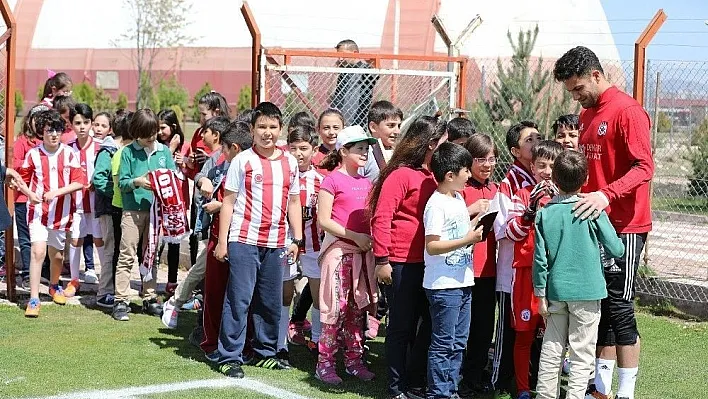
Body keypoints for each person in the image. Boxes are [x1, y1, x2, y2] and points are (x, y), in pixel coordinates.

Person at [553, 46, 654, 399]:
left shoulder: (628, 111)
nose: (576, 97)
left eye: (579, 89)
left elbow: (645, 167)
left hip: (625, 225)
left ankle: (626, 393)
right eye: (571, 92)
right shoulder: (587, 115)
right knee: (600, 305)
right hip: (594, 221)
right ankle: (601, 389)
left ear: (596, 75)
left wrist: (605, 195)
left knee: (620, 306)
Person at [214, 102, 303, 379]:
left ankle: (265, 352)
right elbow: (228, 202)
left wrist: (297, 238)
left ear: (281, 129)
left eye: (273, 127)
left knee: (270, 300)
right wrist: (222, 241)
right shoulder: (243, 160)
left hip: (276, 242)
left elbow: (294, 201)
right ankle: (229, 355)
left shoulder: (290, 162)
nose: (267, 133)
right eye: (262, 127)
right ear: (252, 130)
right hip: (244, 239)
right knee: (239, 299)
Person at [533, 150, 625, 399]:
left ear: (555, 179)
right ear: (586, 179)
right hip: (588, 292)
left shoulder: (545, 213)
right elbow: (616, 249)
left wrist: (539, 293)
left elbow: (540, 259)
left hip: (556, 292)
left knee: (551, 351)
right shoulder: (592, 209)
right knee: (582, 353)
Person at [369, 116, 445, 399]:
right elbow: (382, 216)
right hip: (400, 262)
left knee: (427, 323)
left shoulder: (433, 176)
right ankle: (395, 387)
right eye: (442, 142)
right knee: (400, 327)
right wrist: (382, 260)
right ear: (429, 144)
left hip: (428, 263)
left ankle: (415, 381)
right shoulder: (400, 174)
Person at [315, 125, 377, 385]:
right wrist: (356, 237)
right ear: (343, 151)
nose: (365, 153)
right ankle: (324, 364)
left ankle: (354, 361)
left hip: (362, 255)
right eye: (359, 148)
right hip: (340, 253)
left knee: (356, 310)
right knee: (335, 310)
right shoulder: (331, 180)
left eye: (366, 148)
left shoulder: (367, 183)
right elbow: (324, 220)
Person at [423, 141, 484, 399]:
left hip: (462, 282)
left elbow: (457, 230)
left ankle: (451, 390)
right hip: (443, 286)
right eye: (466, 171)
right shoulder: (436, 204)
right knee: (443, 343)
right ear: (450, 175)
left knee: (459, 342)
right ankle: (439, 392)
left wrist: (480, 219)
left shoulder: (458, 198)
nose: (469, 175)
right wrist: (467, 240)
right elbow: (433, 245)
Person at [505, 141, 563, 399]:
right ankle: (522, 388)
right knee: (524, 335)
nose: (547, 171)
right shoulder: (523, 194)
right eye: (542, 165)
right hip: (526, 273)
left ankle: (548, 387)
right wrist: (529, 212)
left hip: (556, 276)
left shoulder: (566, 197)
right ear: (532, 166)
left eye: (552, 165)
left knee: (554, 335)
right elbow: (511, 232)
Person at [161, 115, 230, 329]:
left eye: (205, 132)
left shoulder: (242, 158)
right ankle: (176, 303)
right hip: (214, 229)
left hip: (235, 231)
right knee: (202, 268)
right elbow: (202, 182)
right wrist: (203, 182)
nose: (202, 136)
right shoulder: (216, 159)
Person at [18, 109, 85, 317]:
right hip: (38, 212)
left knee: (56, 256)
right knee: (37, 252)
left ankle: (54, 285)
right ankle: (34, 299)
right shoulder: (33, 155)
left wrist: (57, 192)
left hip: (61, 214)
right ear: (41, 132)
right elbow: (21, 181)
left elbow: (79, 182)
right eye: (49, 130)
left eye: (57, 129)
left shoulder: (69, 154)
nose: (54, 134)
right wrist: (30, 194)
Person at [490, 121, 541, 395]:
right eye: (528, 140)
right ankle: (499, 379)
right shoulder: (510, 184)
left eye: (538, 138)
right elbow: (502, 230)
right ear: (515, 150)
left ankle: (529, 382)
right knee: (509, 333)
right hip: (512, 274)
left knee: (535, 333)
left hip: (536, 273)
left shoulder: (542, 180)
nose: (535, 143)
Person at [113, 109, 177, 322]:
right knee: (127, 254)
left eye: (155, 132)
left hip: (156, 211)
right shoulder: (128, 152)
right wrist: (137, 181)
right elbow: (122, 183)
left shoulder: (164, 152)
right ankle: (121, 300)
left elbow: (172, 178)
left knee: (151, 254)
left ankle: (149, 297)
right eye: (148, 133)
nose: (152, 137)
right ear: (137, 132)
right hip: (132, 211)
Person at [197, 121, 252, 362]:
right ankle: (211, 344)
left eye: (225, 148)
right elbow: (202, 174)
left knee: (242, 296)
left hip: (244, 240)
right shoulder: (221, 165)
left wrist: (222, 205)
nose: (222, 153)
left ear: (235, 148)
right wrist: (202, 181)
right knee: (215, 293)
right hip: (219, 237)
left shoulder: (252, 168)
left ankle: (244, 345)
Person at [275, 124, 325, 362]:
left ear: (314, 150)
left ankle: (317, 340)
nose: (298, 153)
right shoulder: (281, 176)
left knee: (318, 296)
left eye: (304, 148)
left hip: (314, 247)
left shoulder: (322, 180)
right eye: (293, 148)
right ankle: (280, 343)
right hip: (286, 243)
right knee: (285, 295)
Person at [459, 133, 499, 395]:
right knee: (463, 327)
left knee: (484, 328)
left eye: (492, 159)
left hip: (489, 270)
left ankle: (475, 374)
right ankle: (457, 376)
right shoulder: (460, 188)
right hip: (463, 269)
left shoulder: (497, 189)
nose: (487, 164)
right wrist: (470, 208)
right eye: (480, 159)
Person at [184, 91, 231, 269]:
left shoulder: (224, 138)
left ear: (216, 112)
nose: (200, 118)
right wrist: (191, 163)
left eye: (204, 114)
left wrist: (210, 160)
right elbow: (193, 169)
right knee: (196, 235)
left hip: (215, 200)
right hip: (200, 192)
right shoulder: (198, 133)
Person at [66, 103, 105, 296]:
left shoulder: (100, 147)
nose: (82, 126)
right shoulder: (67, 149)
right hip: (76, 204)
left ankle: (104, 280)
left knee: (99, 239)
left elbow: (104, 172)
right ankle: (74, 280)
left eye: (86, 122)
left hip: (96, 203)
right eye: (77, 122)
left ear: (91, 124)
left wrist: (96, 184)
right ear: (71, 124)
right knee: (75, 240)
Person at [13, 104, 50, 288]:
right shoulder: (22, 142)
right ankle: (28, 274)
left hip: (45, 200)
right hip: (22, 198)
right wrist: (32, 163)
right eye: (38, 119)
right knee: (26, 238)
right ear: (30, 121)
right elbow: (15, 164)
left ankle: (45, 272)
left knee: (45, 237)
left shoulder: (51, 144)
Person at [156, 108, 188, 294]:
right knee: (158, 241)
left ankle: (172, 281)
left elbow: (190, 172)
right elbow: (159, 167)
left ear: (174, 127)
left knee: (174, 241)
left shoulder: (185, 146)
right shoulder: (159, 147)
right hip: (161, 201)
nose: (160, 132)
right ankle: (150, 277)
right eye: (158, 128)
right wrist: (170, 150)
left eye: (163, 128)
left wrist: (186, 163)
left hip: (177, 202)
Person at [93, 111, 122, 308]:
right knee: (109, 249)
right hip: (107, 208)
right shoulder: (107, 151)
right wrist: (116, 194)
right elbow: (99, 179)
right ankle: (104, 292)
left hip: (115, 208)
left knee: (115, 249)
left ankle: (112, 289)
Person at [331, 39, 378, 127]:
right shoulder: (343, 72)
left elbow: (374, 76)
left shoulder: (366, 70)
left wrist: (372, 64)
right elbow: (330, 95)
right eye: (338, 55)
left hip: (358, 121)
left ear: (355, 53)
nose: (340, 59)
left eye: (343, 55)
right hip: (339, 121)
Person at [360, 100, 403, 184]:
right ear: (373, 127)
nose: (397, 131)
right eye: (391, 125)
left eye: (399, 126)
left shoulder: (398, 153)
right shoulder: (364, 154)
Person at [311, 108, 345, 175]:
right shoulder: (313, 156)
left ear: (343, 129)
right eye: (326, 128)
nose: (331, 132)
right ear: (318, 130)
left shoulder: (348, 156)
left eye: (336, 128)